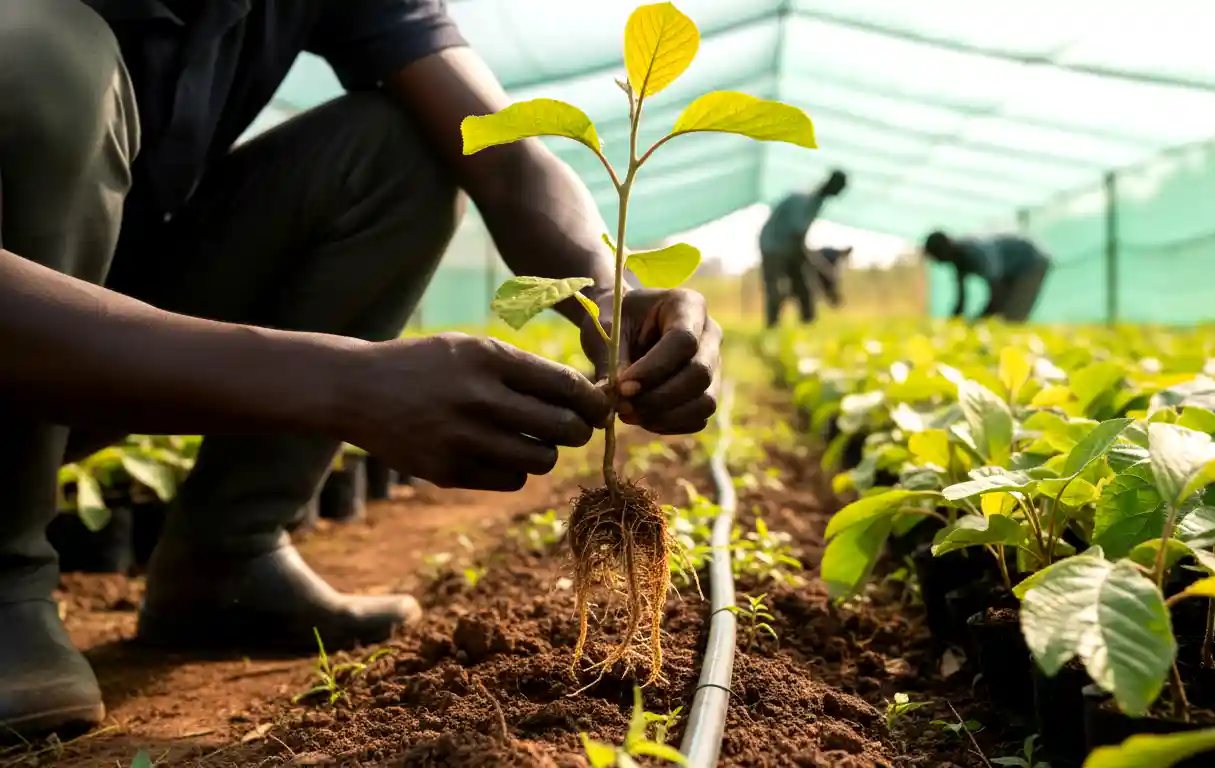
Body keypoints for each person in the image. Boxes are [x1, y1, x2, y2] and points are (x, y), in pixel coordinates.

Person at [0, 0, 722, 738]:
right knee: (45, 54)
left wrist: (613, 294)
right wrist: (341, 382)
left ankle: (227, 558)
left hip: (103, 345)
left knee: (401, 150)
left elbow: (505, 161)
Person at [757, 170, 849, 328]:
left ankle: (808, 324)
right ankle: (772, 327)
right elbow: (797, 236)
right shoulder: (803, 200)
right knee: (777, 287)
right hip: (773, 246)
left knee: (804, 287)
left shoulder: (816, 203)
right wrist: (821, 267)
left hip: (789, 247)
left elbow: (799, 239)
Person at [922, 230, 1052, 323]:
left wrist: (978, 322)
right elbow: (961, 300)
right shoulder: (957, 261)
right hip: (1010, 269)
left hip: (1031, 261)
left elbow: (997, 294)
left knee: (1013, 318)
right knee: (1003, 318)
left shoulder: (978, 254)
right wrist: (954, 324)